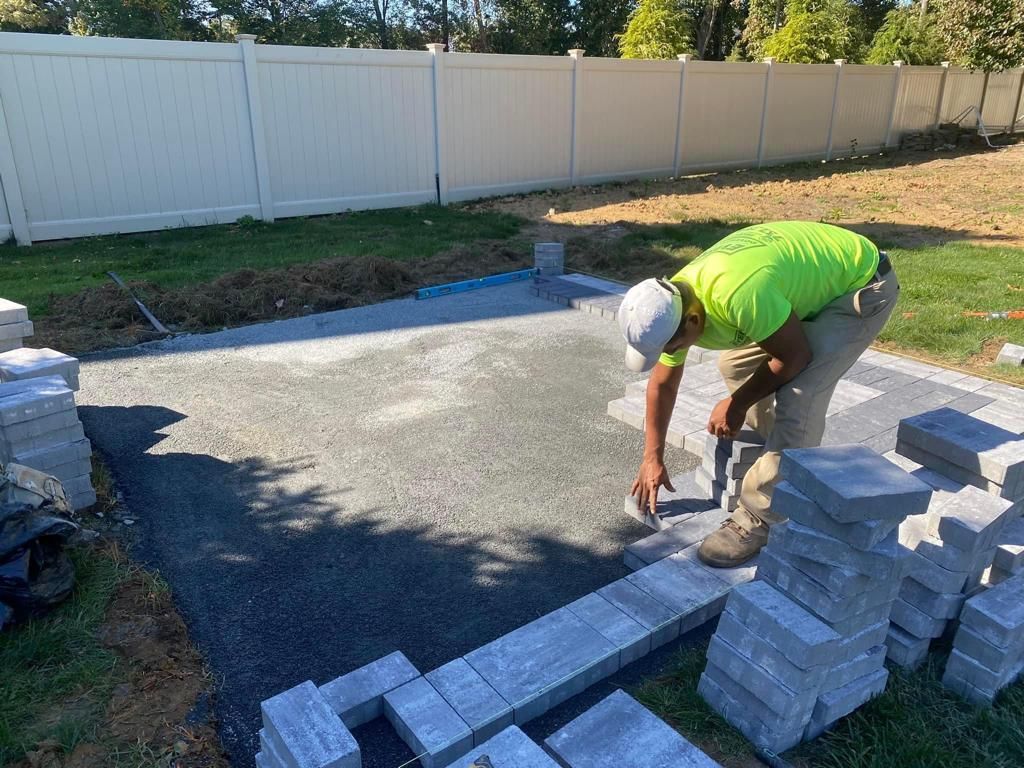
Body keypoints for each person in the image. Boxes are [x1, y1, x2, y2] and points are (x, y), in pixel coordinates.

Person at [618, 221, 899, 568]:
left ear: (692, 323)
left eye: (667, 347)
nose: (666, 354)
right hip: (809, 281)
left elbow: (795, 357)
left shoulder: (739, 295)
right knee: (735, 365)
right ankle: (780, 449)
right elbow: (662, 383)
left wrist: (736, 404)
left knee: (801, 395)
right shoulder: (674, 300)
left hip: (862, 285)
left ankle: (760, 516)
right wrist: (652, 456)